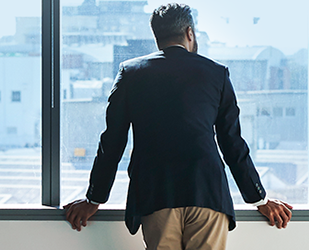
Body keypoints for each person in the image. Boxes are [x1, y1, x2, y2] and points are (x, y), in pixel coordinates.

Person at [65, 3, 293, 250]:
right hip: (207, 192)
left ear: (157, 36)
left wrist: (94, 198)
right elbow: (232, 143)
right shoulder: (216, 73)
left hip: (155, 192)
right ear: (190, 33)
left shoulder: (131, 73)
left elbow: (112, 141)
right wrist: (259, 199)